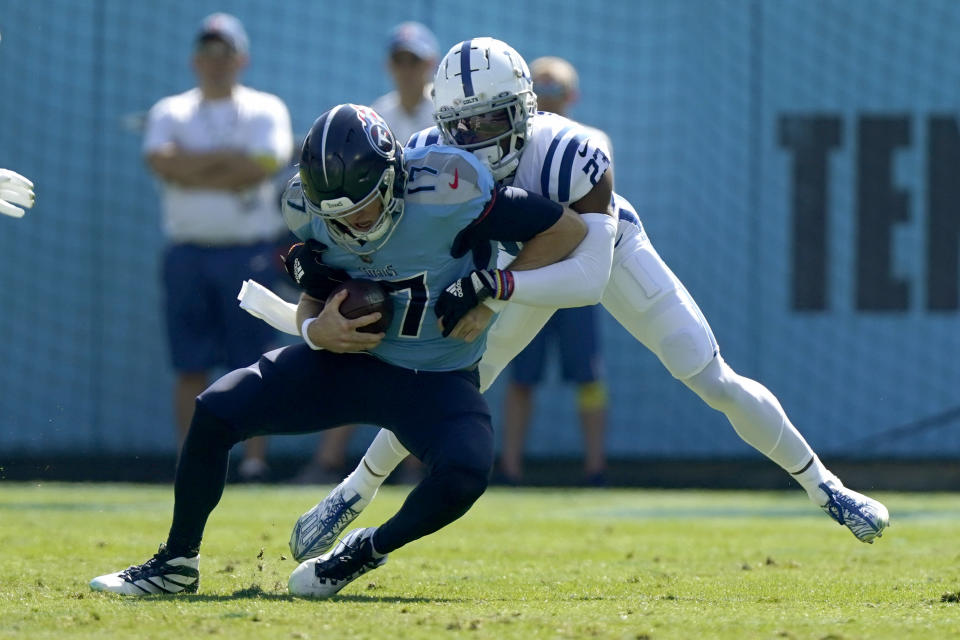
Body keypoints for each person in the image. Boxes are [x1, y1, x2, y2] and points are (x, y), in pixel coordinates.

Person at [291, 37, 890, 559]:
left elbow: (587, 276)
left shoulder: (571, 153)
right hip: (508, 270)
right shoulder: (429, 158)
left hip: (604, 255)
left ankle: (825, 486)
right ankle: (352, 493)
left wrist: (495, 289)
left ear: (525, 109)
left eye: (491, 120)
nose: (474, 140)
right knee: (446, 378)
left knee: (709, 374)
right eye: (462, 127)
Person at [89, 103, 594, 597]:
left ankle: (364, 551)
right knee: (216, 409)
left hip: (435, 378)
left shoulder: (447, 189)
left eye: (364, 207)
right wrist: (315, 330)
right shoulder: (304, 206)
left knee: (464, 474)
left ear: (394, 178)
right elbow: (316, 294)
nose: (354, 225)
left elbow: (566, 230)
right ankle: (176, 563)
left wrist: (497, 288)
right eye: (340, 218)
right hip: (346, 363)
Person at [142, 13, 293, 481]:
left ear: (241, 59)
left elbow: (263, 165)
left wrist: (192, 167)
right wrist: (228, 162)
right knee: (190, 363)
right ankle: (192, 461)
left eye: (225, 53)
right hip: (188, 252)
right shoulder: (170, 110)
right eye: (208, 53)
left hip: (247, 253)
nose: (216, 62)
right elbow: (159, 161)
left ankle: (252, 462)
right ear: (194, 60)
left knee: (252, 364)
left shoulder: (265, 108)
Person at [292, 21, 441, 486]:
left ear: (430, 65)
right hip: (372, 249)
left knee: (426, 358)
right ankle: (331, 460)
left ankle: (419, 466)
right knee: (359, 343)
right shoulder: (376, 114)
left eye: (413, 60)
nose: (406, 69)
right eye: (399, 60)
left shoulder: (443, 114)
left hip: (430, 252)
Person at [499, 56, 611, 486]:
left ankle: (596, 469)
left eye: (555, 91)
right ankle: (510, 469)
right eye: (540, 91)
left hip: (579, 272)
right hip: (530, 271)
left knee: (589, 375)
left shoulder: (591, 140)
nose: (548, 99)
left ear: (572, 97)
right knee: (520, 375)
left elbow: (583, 210)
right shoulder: (516, 143)